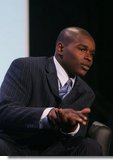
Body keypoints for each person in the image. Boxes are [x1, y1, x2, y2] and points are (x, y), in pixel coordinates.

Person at [0, 27, 102, 155]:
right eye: (82, 49)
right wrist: (48, 115)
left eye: (92, 54)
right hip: (16, 146)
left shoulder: (85, 92)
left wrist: (70, 128)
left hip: (53, 151)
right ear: (60, 48)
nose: (89, 58)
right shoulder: (25, 67)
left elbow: (78, 134)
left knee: (89, 146)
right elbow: (5, 111)